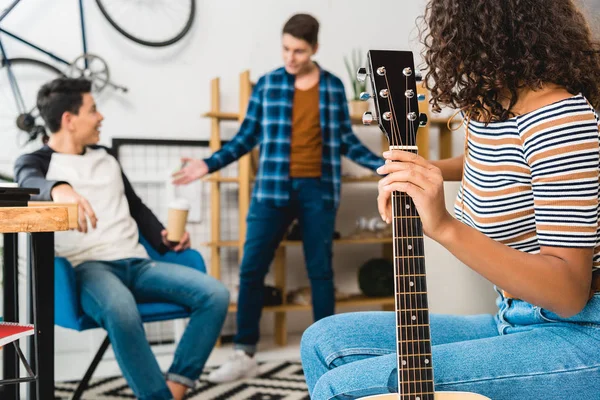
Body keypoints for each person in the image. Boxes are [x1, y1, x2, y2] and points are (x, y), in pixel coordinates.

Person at [300, 0, 600, 398]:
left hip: (577, 334)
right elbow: (493, 162)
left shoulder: (560, 121)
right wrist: (422, 172)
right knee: (323, 340)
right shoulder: (495, 108)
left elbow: (568, 292)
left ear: (483, 29)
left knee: (343, 386)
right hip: (513, 317)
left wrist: (443, 226)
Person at [173, 13, 384, 383]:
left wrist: (384, 164)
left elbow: (348, 142)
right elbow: (245, 137)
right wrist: (207, 164)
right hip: (271, 189)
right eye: (286, 48)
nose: (290, 57)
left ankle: (330, 355)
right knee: (252, 267)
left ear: (314, 49)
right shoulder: (268, 84)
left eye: (299, 51)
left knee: (321, 271)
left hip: (318, 190)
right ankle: (245, 353)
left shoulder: (333, 87)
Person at [14, 78, 230, 400]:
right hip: (88, 269)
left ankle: (177, 385)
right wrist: (60, 189)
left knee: (215, 294)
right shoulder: (37, 162)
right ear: (69, 120)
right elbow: (28, 181)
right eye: (93, 110)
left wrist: (165, 240)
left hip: (138, 263)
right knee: (121, 310)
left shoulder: (107, 158)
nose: (101, 117)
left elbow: (136, 207)